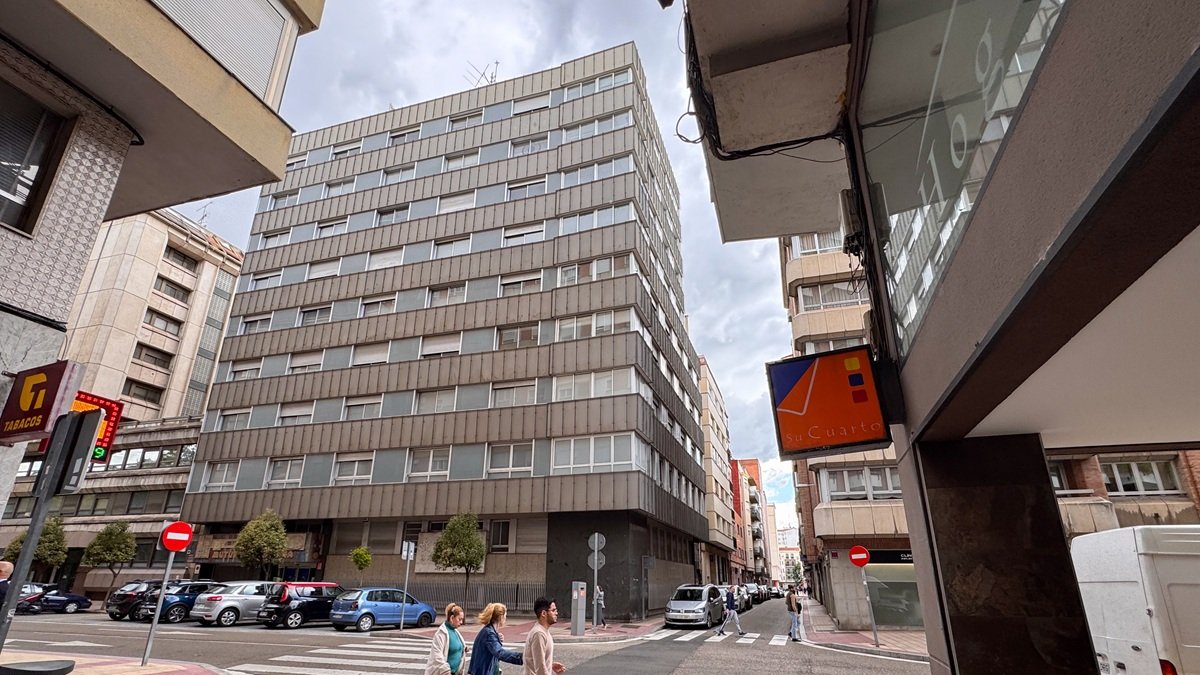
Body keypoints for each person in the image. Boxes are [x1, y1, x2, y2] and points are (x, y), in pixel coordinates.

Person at [469, 602, 523, 675]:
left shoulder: (489, 632)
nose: (505, 619)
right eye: (505, 616)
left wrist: (497, 639)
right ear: (500, 617)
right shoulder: (489, 634)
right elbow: (500, 653)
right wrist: (521, 657)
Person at [522, 597, 565, 675]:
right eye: (553, 610)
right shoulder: (539, 634)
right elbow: (540, 668)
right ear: (544, 613)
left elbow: (537, 660)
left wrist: (550, 665)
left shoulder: (543, 631)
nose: (556, 613)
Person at [425, 603, 467, 675]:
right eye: (459, 619)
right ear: (451, 618)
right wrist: (446, 671)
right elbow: (437, 656)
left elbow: (456, 646)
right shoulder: (441, 633)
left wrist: (464, 648)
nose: (461, 622)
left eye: (462, 620)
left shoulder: (455, 631)